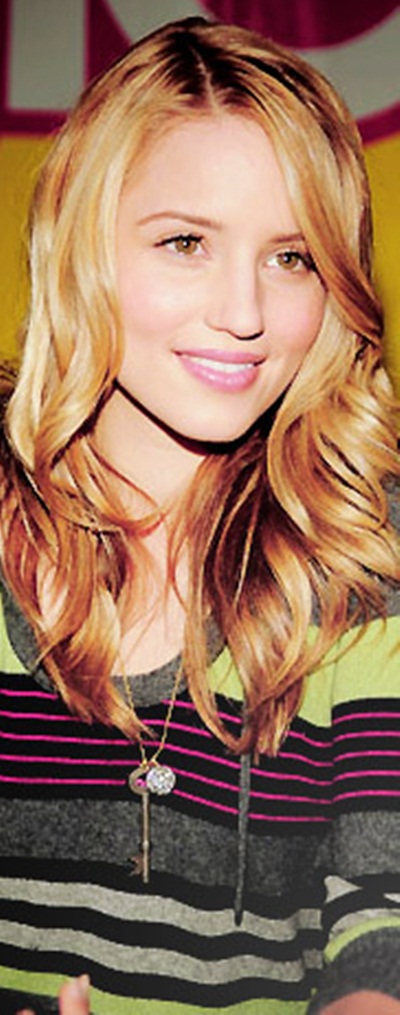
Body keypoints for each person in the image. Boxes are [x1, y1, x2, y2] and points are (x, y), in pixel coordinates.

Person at [0, 15, 399, 1015]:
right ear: (80, 243)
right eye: (186, 242)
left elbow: (383, 919)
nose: (245, 314)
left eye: (292, 258)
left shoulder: (363, 543)